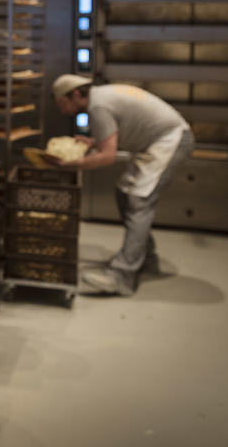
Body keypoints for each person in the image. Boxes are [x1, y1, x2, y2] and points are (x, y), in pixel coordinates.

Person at [50, 74, 194, 296]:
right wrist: (93, 143)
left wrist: (75, 164)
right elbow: (112, 139)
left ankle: (123, 276)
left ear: (76, 94)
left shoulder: (98, 107)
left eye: (63, 103)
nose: (63, 111)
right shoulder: (101, 97)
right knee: (123, 193)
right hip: (157, 142)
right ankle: (144, 258)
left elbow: (108, 156)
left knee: (138, 200)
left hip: (169, 140)